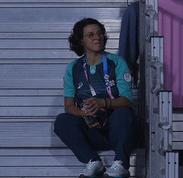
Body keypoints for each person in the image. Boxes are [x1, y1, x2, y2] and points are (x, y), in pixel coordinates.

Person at [54, 18, 135, 178]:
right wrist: (87, 113)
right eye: (90, 35)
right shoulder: (73, 68)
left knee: (124, 113)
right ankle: (93, 161)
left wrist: (103, 103)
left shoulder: (117, 62)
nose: (97, 37)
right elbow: (69, 107)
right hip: (91, 130)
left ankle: (121, 164)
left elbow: (127, 100)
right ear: (81, 41)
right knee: (62, 121)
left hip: (116, 130)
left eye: (99, 33)